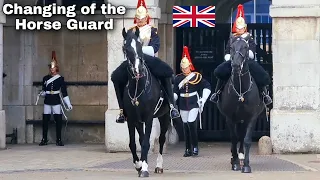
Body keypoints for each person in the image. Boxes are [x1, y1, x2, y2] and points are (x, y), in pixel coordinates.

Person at [111, 0, 180, 123]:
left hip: (147, 58)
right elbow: (125, 46)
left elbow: (155, 46)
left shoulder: (152, 30)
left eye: (142, 18)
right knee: (115, 77)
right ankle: (122, 110)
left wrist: (139, 51)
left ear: (146, 17)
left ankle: (171, 105)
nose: (139, 20)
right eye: (137, 18)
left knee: (166, 72)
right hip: (132, 59)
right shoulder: (130, 31)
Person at [209, 4, 272, 106]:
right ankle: (217, 92)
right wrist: (229, 56)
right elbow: (227, 50)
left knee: (260, 74)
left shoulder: (249, 37)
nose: (239, 30)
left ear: (245, 28)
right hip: (233, 59)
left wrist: (248, 54)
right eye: (238, 28)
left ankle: (264, 94)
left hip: (246, 60)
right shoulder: (232, 38)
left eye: (241, 28)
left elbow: (252, 48)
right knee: (221, 72)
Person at [174, 46, 211, 157]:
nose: (184, 69)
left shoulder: (196, 76)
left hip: (193, 102)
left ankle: (195, 147)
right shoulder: (178, 78)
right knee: (185, 126)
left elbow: (207, 86)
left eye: (186, 67)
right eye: (183, 67)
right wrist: (173, 100)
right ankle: (187, 148)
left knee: (191, 124)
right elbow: (175, 91)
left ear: (190, 66)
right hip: (182, 103)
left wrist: (203, 99)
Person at [37, 51, 73, 146]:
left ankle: (59, 139)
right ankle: (44, 139)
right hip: (47, 100)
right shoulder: (45, 78)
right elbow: (44, 90)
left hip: (56, 101)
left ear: (56, 68)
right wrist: (42, 93)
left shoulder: (60, 79)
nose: (51, 69)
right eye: (50, 68)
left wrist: (68, 104)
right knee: (45, 120)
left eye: (53, 68)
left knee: (58, 120)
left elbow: (64, 92)